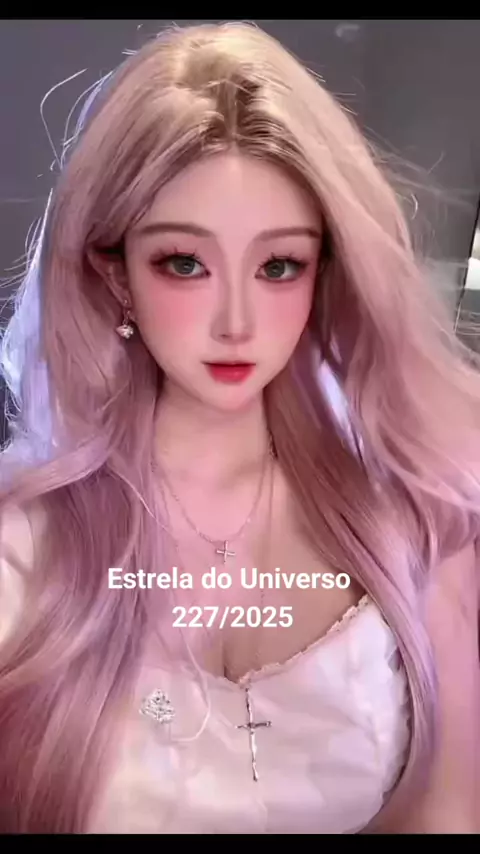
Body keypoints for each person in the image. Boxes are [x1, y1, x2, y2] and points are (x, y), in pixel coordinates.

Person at [0, 20, 478, 835]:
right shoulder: (22, 550)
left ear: (326, 272)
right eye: (184, 263)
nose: (236, 323)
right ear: (115, 274)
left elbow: (448, 812)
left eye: (278, 265)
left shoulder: (419, 518)